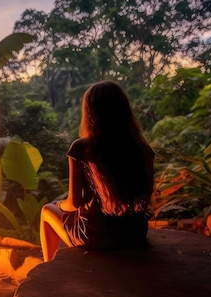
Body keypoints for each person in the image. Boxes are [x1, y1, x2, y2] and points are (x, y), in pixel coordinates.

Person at [39, 80, 155, 262]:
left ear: (91, 113)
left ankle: (48, 268)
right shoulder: (142, 148)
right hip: (134, 235)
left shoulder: (82, 148)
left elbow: (75, 202)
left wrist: (60, 205)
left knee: (47, 210)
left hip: (96, 237)